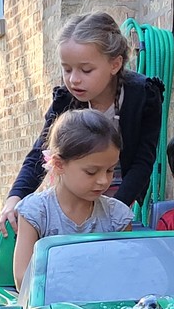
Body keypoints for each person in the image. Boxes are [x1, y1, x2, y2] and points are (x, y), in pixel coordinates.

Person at [0, 11, 164, 236]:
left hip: (120, 195)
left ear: (115, 64)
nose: (74, 79)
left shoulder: (143, 95)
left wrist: (115, 211)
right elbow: (41, 152)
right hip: (73, 197)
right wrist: (15, 198)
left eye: (86, 70)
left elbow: (143, 161)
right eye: (67, 69)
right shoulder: (66, 100)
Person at [13, 109, 134, 289]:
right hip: (50, 304)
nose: (103, 180)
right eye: (91, 172)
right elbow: (22, 279)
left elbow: (127, 273)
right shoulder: (36, 212)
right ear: (59, 164)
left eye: (110, 170)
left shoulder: (117, 216)